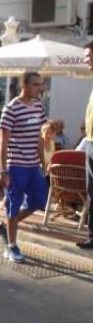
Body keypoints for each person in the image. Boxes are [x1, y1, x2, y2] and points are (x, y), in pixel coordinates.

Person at [0, 71, 48, 262]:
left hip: (34, 166)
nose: (40, 88)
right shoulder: (11, 109)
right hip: (16, 165)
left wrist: (44, 163)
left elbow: (40, 138)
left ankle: (5, 225)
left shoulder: (39, 106)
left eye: (41, 84)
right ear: (24, 85)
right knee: (13, 207)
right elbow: (3, 142)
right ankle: (11, 246)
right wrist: (3, 170)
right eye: (36, 85)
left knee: (39, 201)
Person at [77, 41, 93, 249]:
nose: (86, 60)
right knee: (92, 192)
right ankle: (92, 236)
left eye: (89, 56)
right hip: (90, 142)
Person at [41, 119, 58, 184]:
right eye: (47, 132)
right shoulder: (39, 144)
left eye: (51, 133)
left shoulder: (52, 143)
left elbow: (52, 158)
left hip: (49, 173)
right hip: (39, 172)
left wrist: (50, 165)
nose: (48, 135)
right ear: (43, 131)